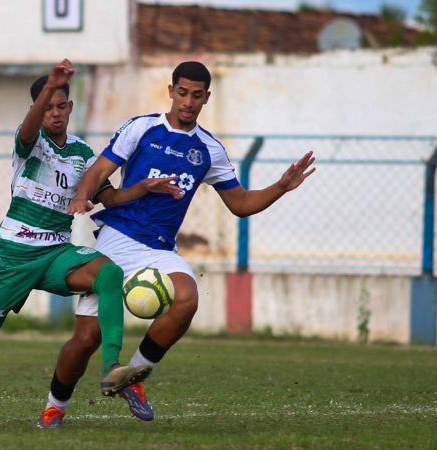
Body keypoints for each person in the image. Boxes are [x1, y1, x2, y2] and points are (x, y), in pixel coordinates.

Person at [0, 60, 180, 427]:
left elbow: (109, 197)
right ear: (37, 109)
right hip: (15, 253)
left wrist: (142, 189)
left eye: (61, 106)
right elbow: (27, 130)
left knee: (109, 274)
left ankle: (113, 369)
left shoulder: (83, 153)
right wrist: (46, 92)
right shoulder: (30, 142)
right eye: (47, 107)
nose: (55, 114)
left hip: (57, 251)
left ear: (70, 108)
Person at [58, 61, 316, 421]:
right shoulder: (142, 128)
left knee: (187, 298)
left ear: (206, 98)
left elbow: (240, 204)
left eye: (197, 95)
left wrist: (281, 187)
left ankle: (132, 376)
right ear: (171, 91)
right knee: (86, 339)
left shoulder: (209, 150)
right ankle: (55, 408)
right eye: (182, 92)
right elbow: (99, 170)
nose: (188, 102)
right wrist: (82, 197)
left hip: (160, 248)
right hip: (117, 238)